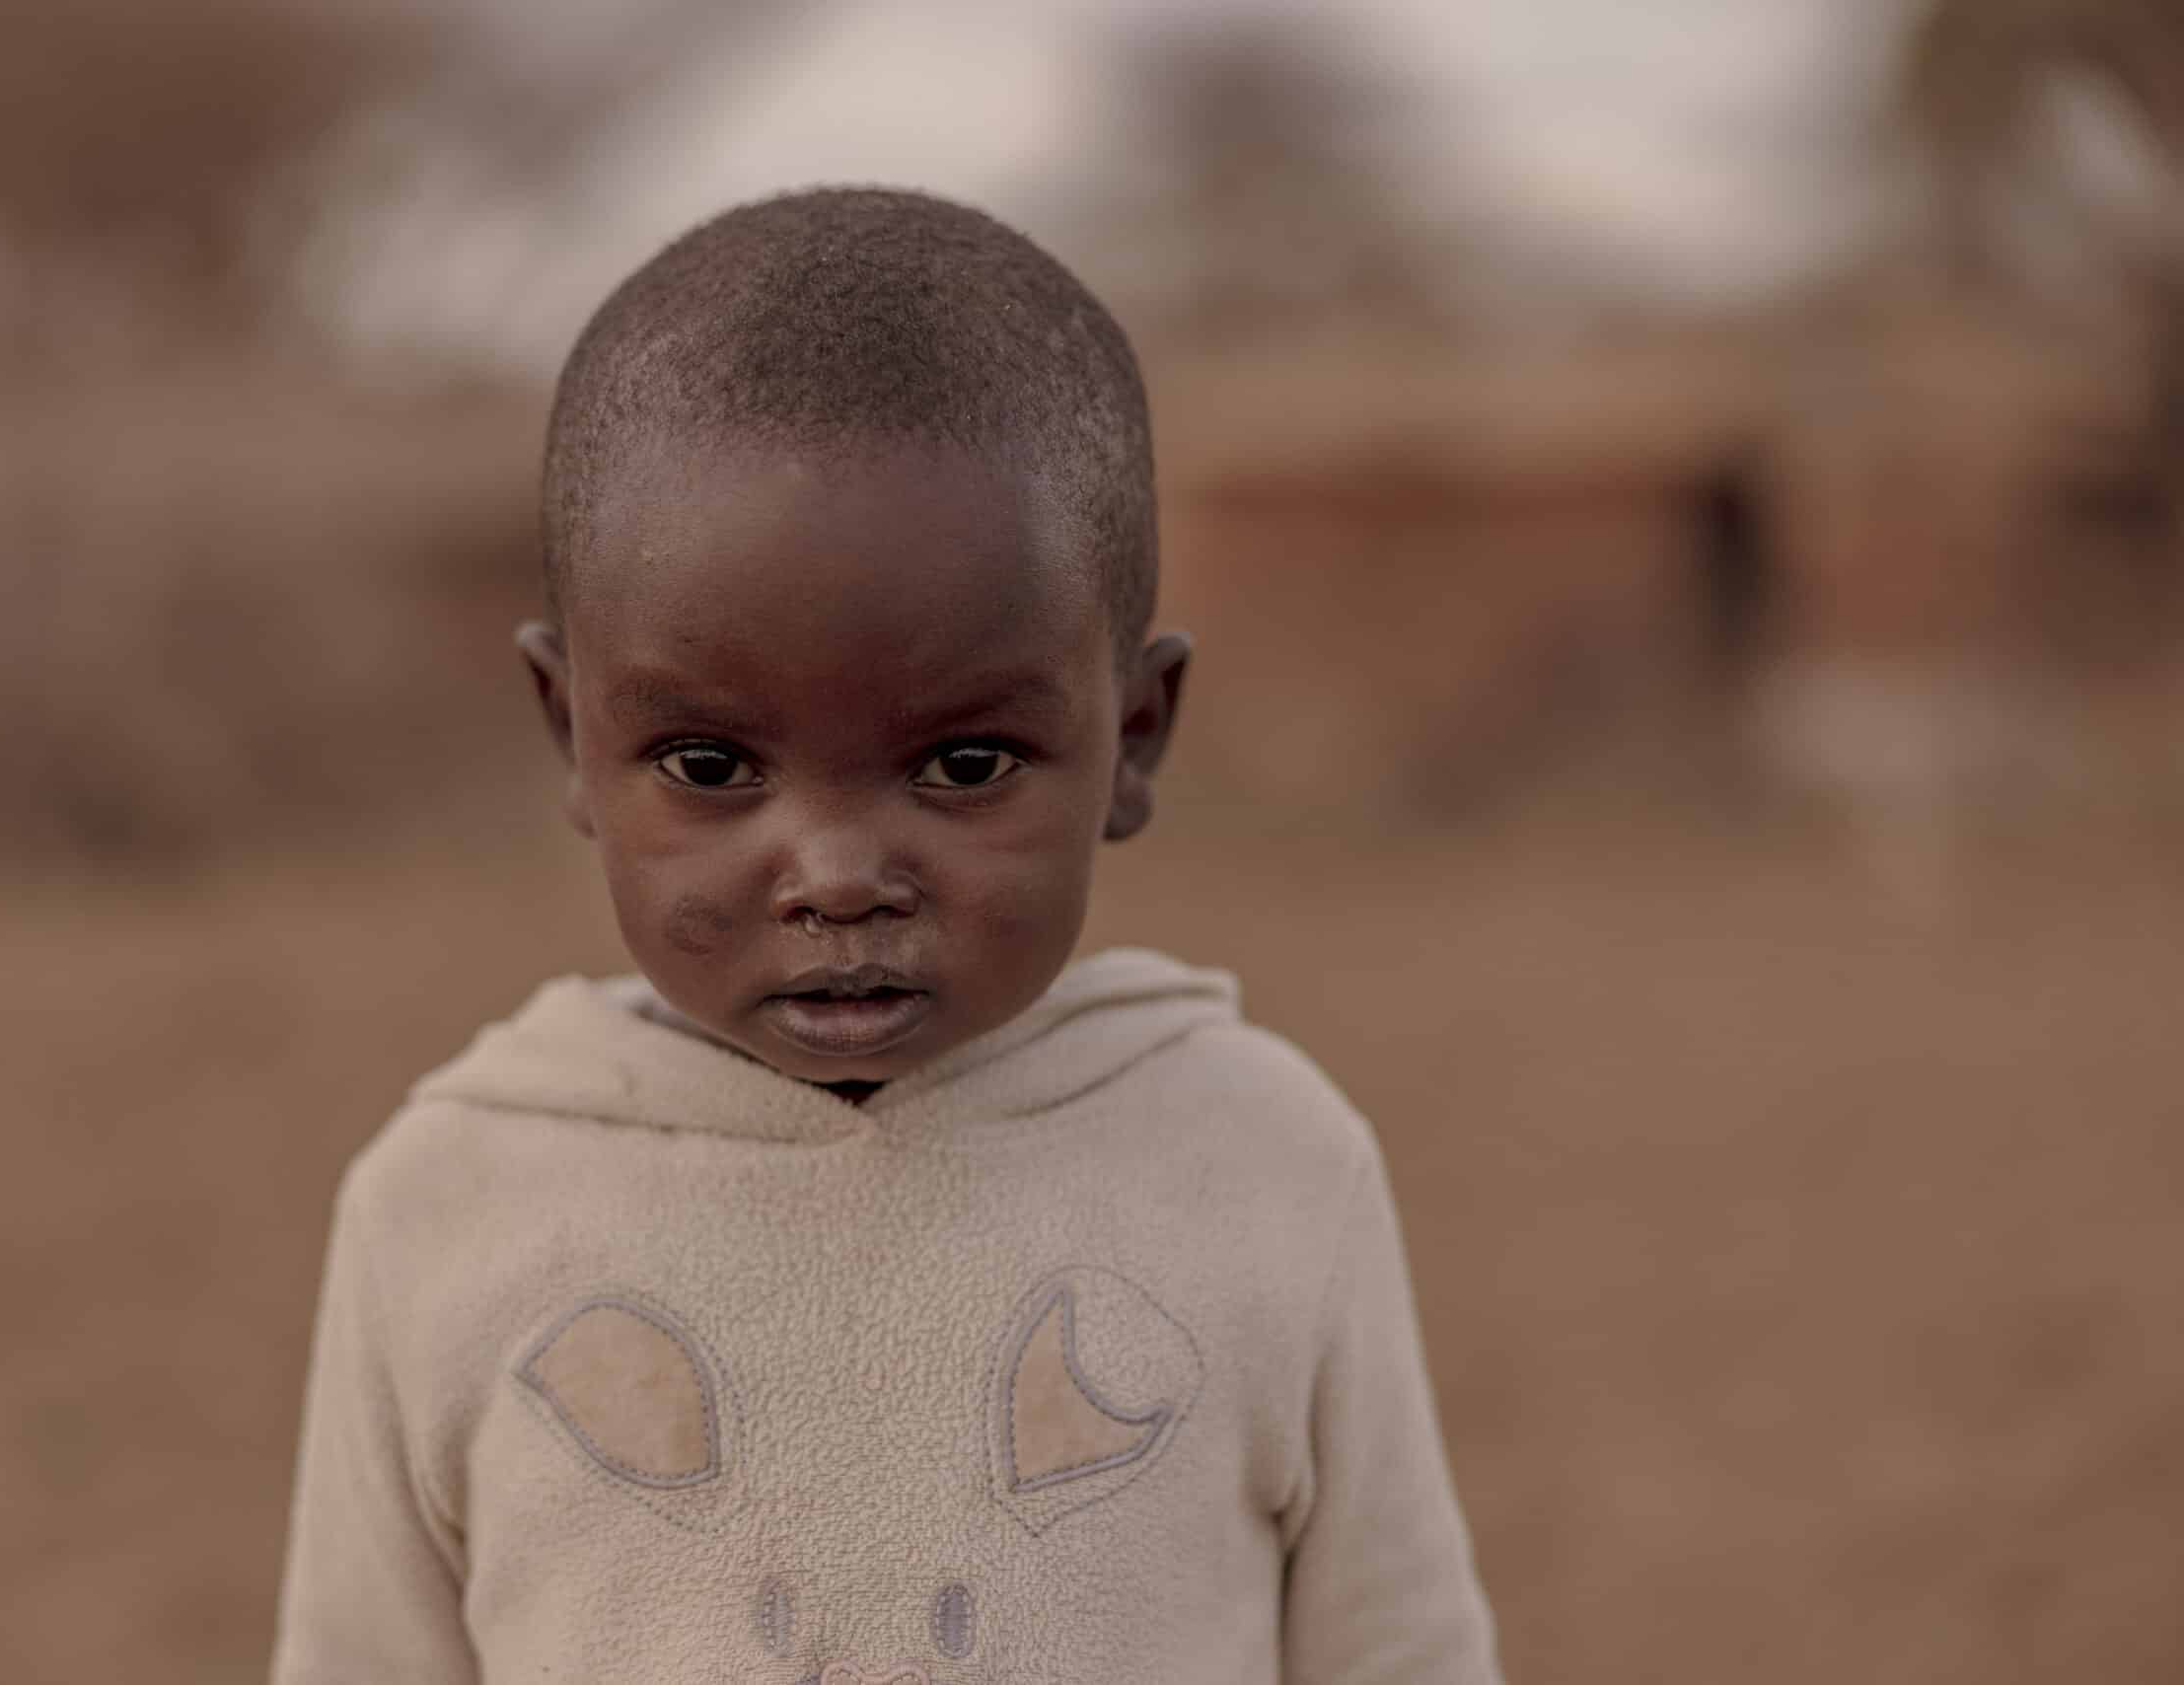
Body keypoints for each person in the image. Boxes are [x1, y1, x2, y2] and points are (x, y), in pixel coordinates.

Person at [270, 186, 1500, 1685]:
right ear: (570, 735)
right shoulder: (449, 1204)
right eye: (712, 767)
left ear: (1133, 737)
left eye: (963, 765)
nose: (840, 876)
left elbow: (1405, 1651)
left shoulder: (1263, 1163)